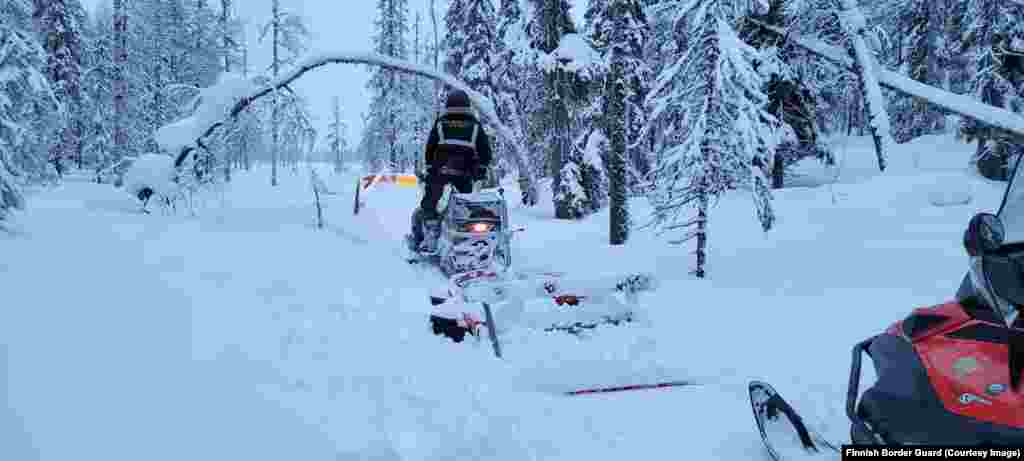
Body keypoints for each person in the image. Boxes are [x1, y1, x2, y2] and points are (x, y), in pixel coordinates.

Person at [410, 89, 493, 252]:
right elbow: (485, 151)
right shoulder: (475, 125)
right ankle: (469, 234)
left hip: (440, 173)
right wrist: (481, 170)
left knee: (430, 203)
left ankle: (430, 234)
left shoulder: (440, 123)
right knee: (466, 205)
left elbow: (430, 147)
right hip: (465, 175)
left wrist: (429, 167)